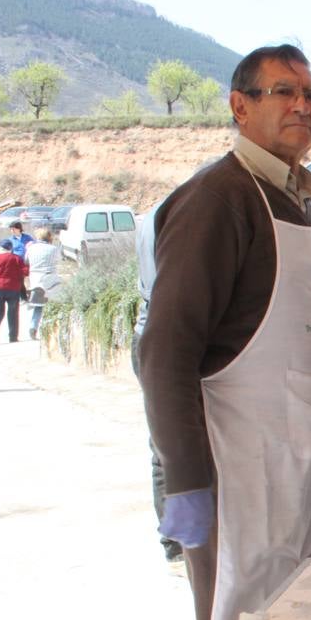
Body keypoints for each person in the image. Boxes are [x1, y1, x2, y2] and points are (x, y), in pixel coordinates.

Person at [138, 44, 311, 620]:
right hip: (242, 471)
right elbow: (165, 352)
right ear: (239, 106)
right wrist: (187, 479)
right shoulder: (217, 199)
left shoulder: (304, 201)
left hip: (306, 458)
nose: (303, 105)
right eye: (284, 91)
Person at [131, 199, 183, 565]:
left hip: (151, 331)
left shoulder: (158, 213)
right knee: (168, 447)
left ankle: (179, 538)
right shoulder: (182, 214)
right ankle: (177, 541)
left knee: (167, 444)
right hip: (165, 336)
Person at [0, 243, 28, 343]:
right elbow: (25, 272)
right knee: (13, 313)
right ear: (10, 248)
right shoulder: (16, 258)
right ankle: (13, 337)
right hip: (13, 287)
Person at [23, 227, 61, 340]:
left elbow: (26, 261)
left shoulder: (31, 248)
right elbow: (59, 260)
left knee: (38, 306)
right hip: (50, 278)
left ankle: (33, 327)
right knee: (54, 305)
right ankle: (52, 329)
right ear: (49, 237)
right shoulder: (53, 249)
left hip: (35, 279)